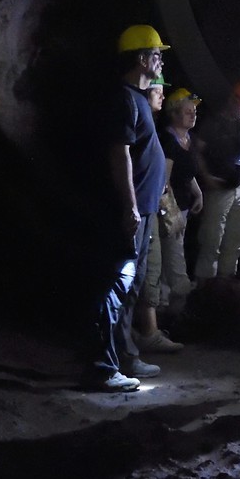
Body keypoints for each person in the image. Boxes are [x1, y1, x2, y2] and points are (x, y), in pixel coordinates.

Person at [82, 23, 171, 391]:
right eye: (156, 55)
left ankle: (125, 355)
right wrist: (130, 207)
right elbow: (119, 154)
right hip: (134, 211)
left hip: (146, 210)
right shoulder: (123, 98)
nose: (161, 60)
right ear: (141, 58)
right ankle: (102, 367)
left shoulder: (139, 98)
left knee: (131, 286)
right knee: (116, 283)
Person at [149, 87, 205, 323]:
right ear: (174, 112)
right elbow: (164, 181)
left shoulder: (186, 139)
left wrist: (198, 193)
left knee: (170, 253)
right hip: (168, 208)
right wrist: (173, 214)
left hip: (180, 206)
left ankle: (163, 304)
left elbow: (186, 172)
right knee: (173, 255)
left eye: (194, 111)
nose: (193, 114)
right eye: (188, 110)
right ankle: (178, 304)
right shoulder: (170, 142)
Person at [194, 80, 240, 283]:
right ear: (232, 100)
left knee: (236, 236)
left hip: (239, 185)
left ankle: (226, 281)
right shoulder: (213, 123)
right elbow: (197, 151)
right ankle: (205, 286)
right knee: (212, 238)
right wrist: (206, 178)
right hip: (218, 187)